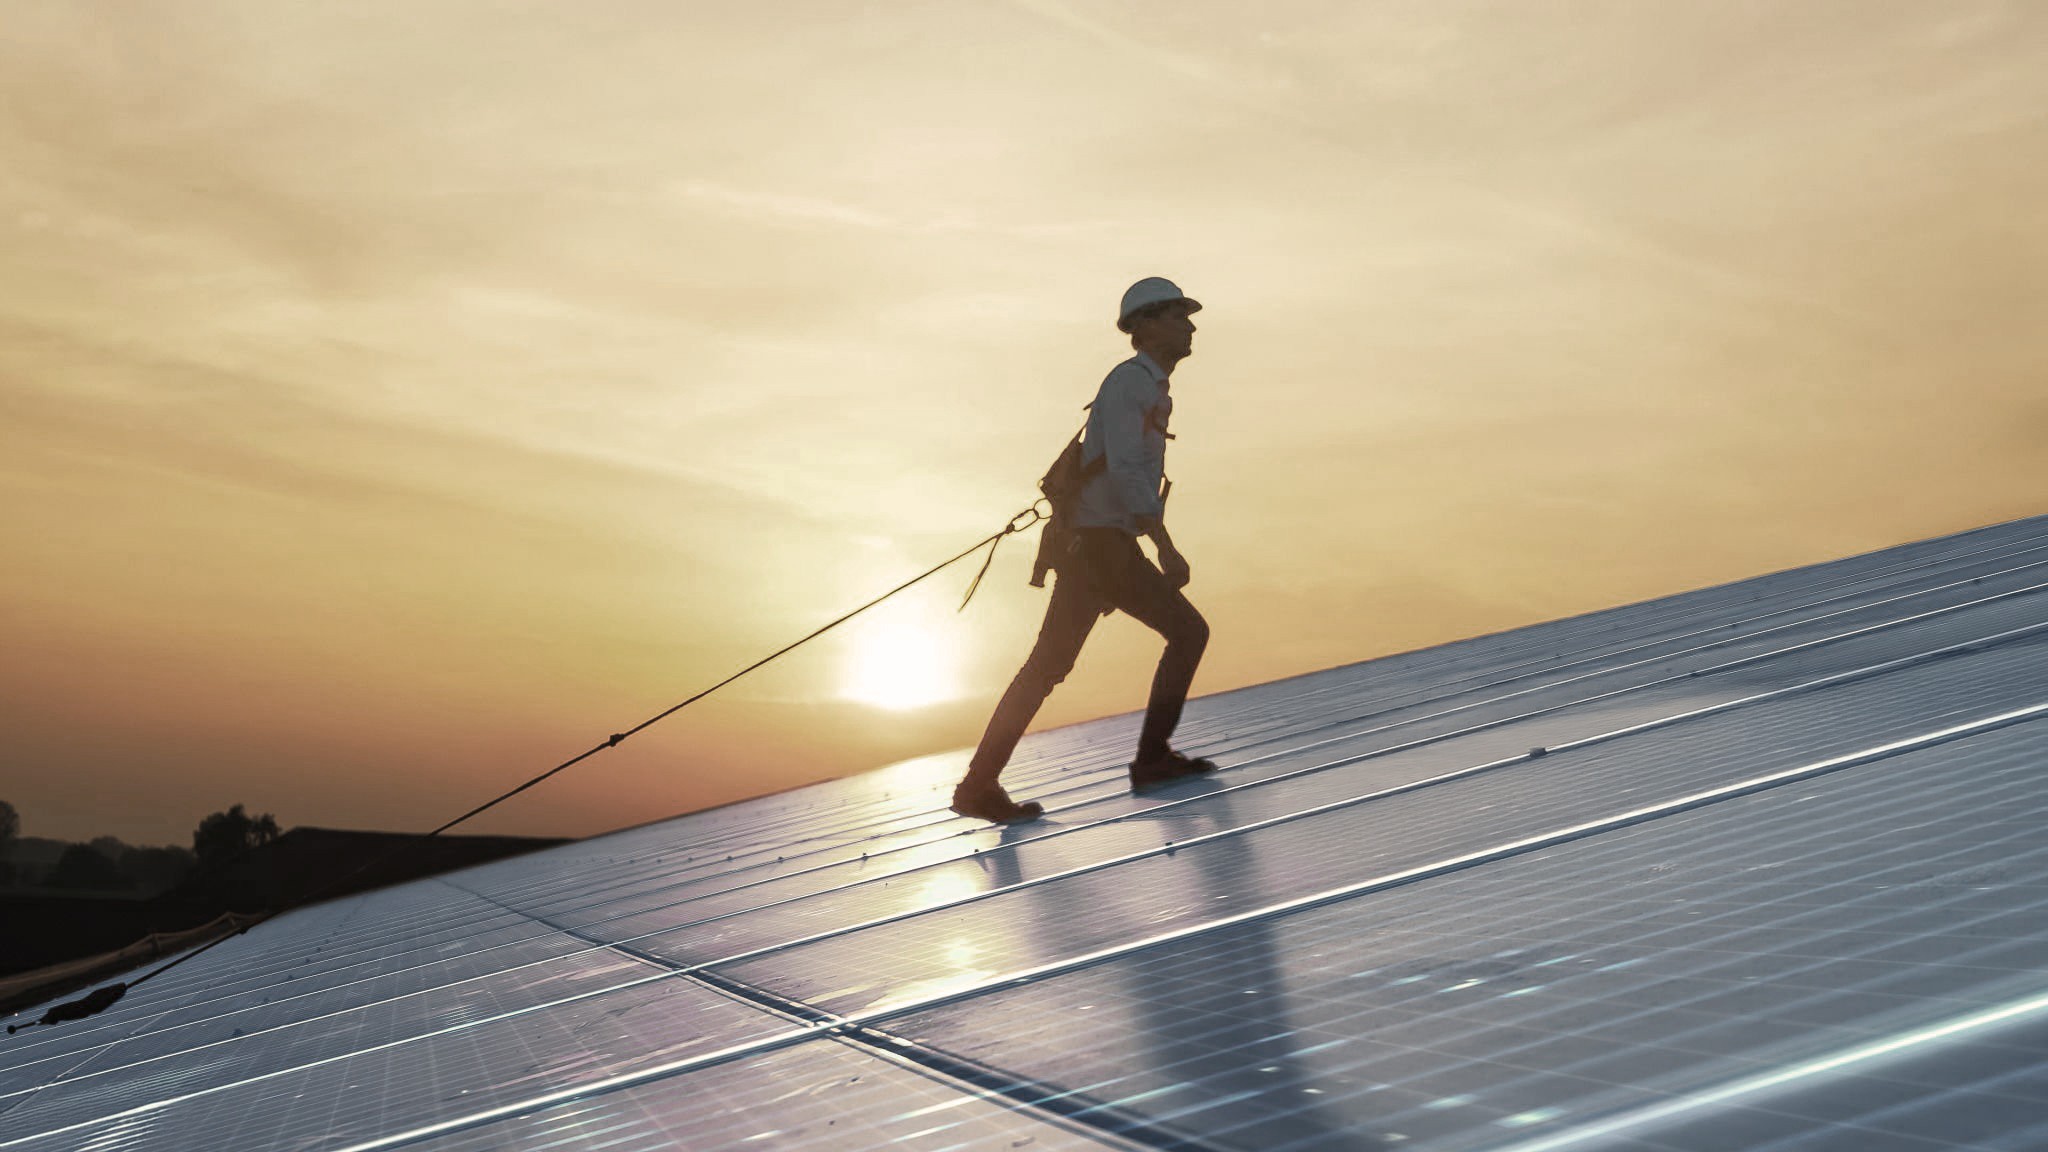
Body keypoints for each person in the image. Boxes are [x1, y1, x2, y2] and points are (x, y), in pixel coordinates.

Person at [951, 277, 1218, 824]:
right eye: (1176, 316)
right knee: (1186, 633)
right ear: (1143, 327)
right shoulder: (1132, 384)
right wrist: (1165, 546)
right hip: (1100, 549)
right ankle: (1149, 760)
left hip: (1100, 547)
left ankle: (978, 787)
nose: (1189, 325)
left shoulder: (1149, 386)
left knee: (1046, 668)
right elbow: (1123, 470)